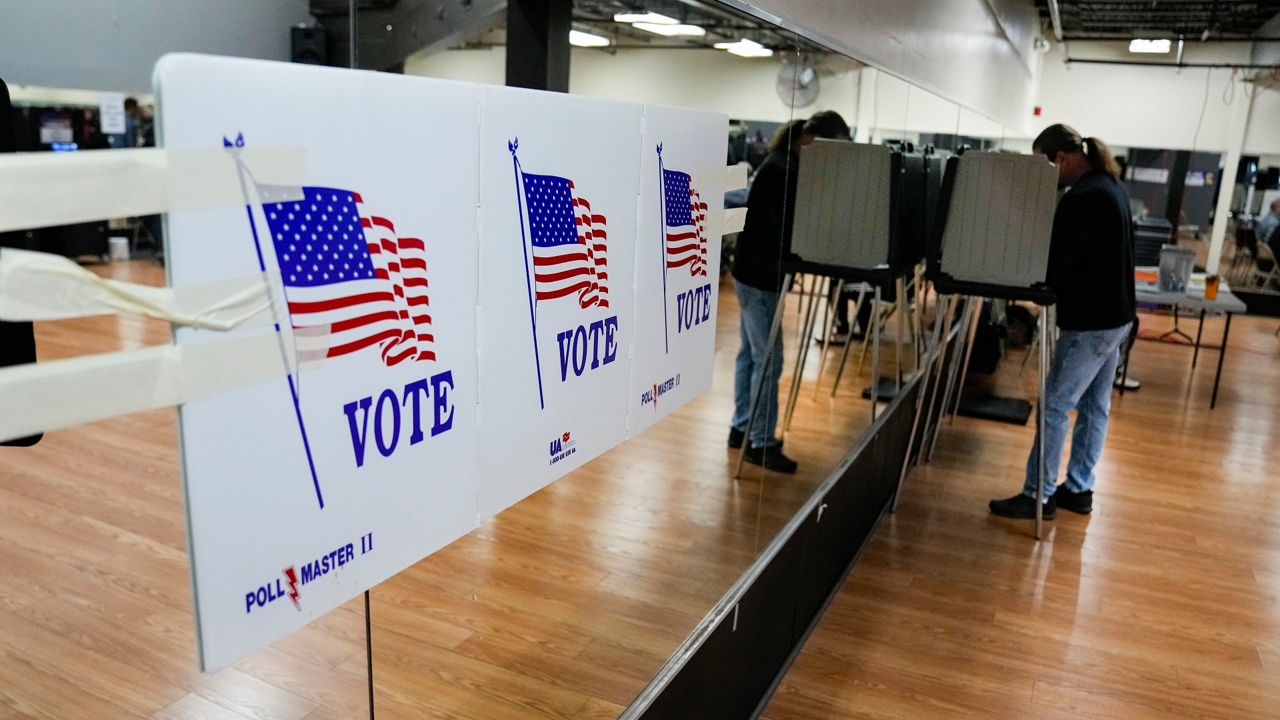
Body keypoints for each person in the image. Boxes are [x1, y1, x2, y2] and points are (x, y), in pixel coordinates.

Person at [990, 124, 1135, 519]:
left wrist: (1019, 274)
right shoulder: (1112, 187)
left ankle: (1038, 495)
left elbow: (1056, 266)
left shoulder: (1083, 198)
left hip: (1091, 323)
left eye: (1046, 167)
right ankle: (1079, 488)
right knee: (1094, 407)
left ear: (1064, 159)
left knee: (1054, 405)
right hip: (1117, 318)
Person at [728, 110, 850, 473]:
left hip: (751, 272)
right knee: (769, 359)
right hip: (762, 278)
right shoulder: (786, 171)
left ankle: (741, 427)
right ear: (812, 139)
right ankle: (761, 443)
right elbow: (788, 229)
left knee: (751, 355)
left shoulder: (780, 164)